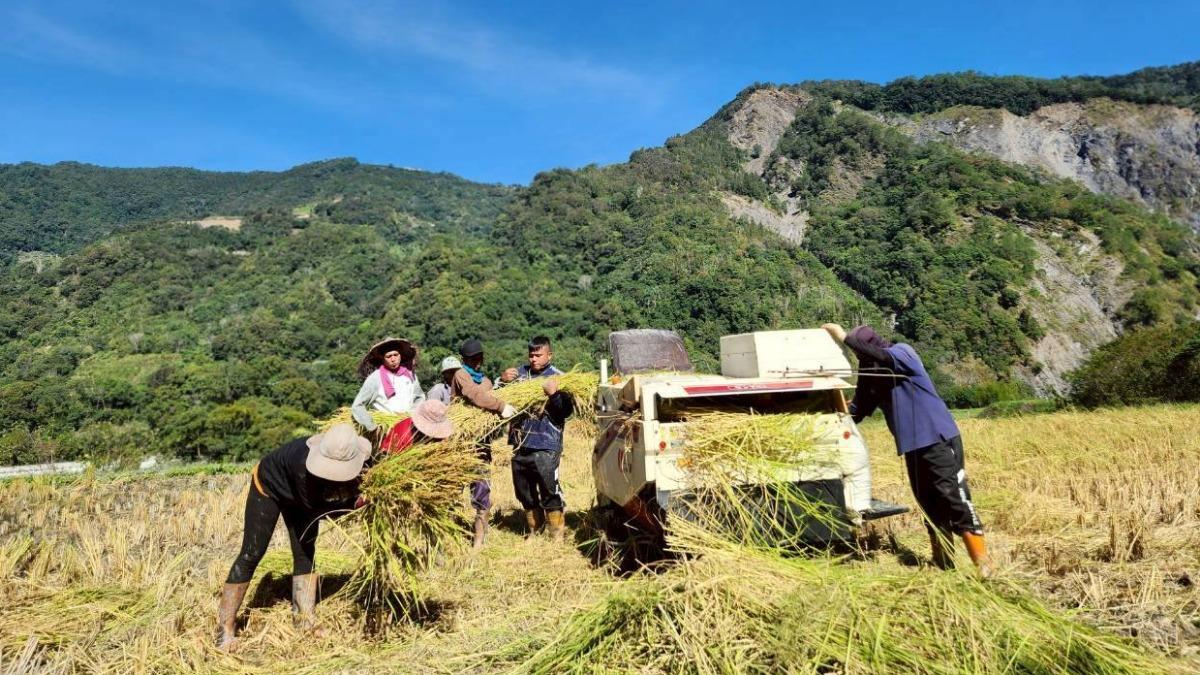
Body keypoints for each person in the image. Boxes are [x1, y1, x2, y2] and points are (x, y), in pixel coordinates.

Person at [822, 323, 991, 576]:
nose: (864, 360)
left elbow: (881, 356)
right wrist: (825, 414)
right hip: (913, 448)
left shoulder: (903, 353)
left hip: (937, 438)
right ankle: (943, 564)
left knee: (954, 499)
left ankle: (984, 566)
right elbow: (858, 410)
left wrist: (843, 337)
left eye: (863, 354)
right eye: (861, 358)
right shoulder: (872, 375)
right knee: (929, 505)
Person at [217, 423, 371, 651]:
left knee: (305, 550)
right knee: (252, 552)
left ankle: (304, 620)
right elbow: (320, 512)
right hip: (269, 487)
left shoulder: (357, 457)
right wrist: (355, 504)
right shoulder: (302, 466)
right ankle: (224, 631)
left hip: (303, 497)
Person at [499, 336, 575, 541]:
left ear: (549, 355)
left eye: (538, 355)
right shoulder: (519, 375)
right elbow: (498, 398)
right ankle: (535, 528)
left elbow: (565, 412)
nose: (533, 359)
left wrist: (555, 395)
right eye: (531, 355)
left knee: (549, 488)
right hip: (521, 441)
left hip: (546, 442)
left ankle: (556, 533)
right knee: (523, 490)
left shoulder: (560, 378)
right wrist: (501, 380)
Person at [449, 338, 516, 548]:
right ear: (465, 359)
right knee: (452, 490)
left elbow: (488, 391)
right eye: (472, 358)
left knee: (481, 490)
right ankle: (448, 537)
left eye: (479, 358)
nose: (477, 361)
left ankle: (478, 541)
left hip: (480, 445)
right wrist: (501, 405)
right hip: (460, 444)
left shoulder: (486, 381)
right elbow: (476, 396)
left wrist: (503, 384)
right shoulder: (461, 375)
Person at [351, 337, 425, 443]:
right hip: (388, 431)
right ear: (382, 358)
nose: (393, 359)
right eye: (388, 356)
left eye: (396, 355)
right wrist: (371, 426)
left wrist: (412, 414)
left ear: (401, 355)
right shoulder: (375, 378)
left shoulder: (409, 374)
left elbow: (420, 397)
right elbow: (357, 405)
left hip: (410, 428)